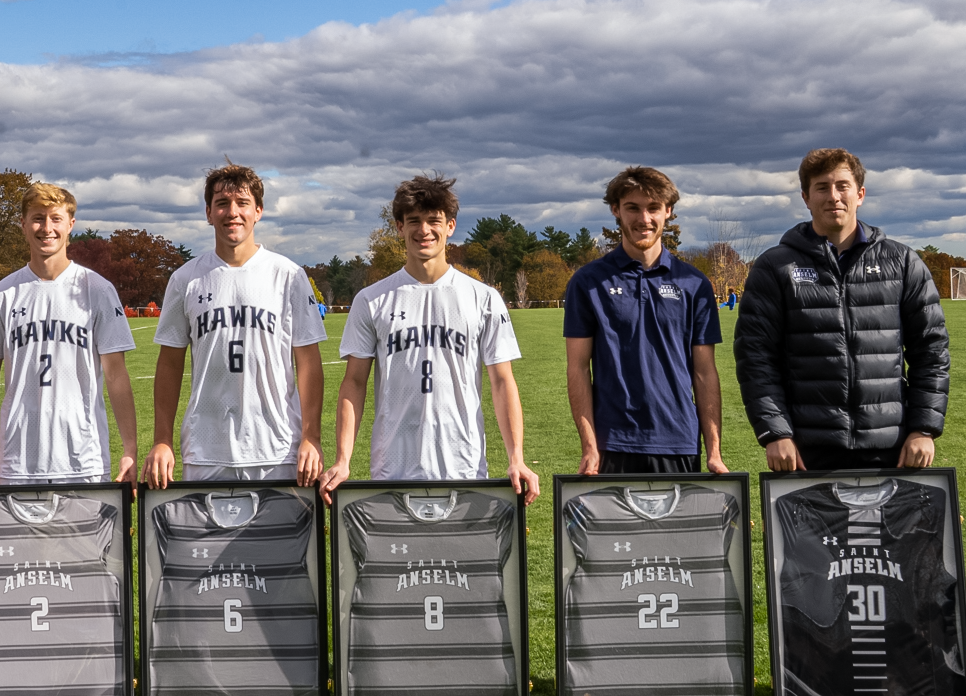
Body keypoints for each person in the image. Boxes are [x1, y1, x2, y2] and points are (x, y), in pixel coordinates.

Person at [319, 174, 540, 503]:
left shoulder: (483, 298)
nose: (424, 230)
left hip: (463, 466)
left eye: (433, 220)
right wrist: (343, 459)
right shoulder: (371, 299)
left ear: (450, 226)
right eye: (414, 221)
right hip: (393, 468)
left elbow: (502, 381)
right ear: (399, 227)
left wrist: (516, 458)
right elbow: (353, 382)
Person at [734, 148, 949, 472]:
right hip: (806, 451)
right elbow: (756, 357)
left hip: (890, 446)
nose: (833, 196)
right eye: (822, 187)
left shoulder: (902, 262)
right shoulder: (774, 267)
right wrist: (775, 432)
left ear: (860, 194)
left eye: (842, 186)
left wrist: (923, 428)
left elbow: (931, 349)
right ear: (806, 197)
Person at [142, 163, 326, 487]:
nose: (233, 213)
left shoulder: (289, 276)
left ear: (258, 211)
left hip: (278, 449)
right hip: (206, 449)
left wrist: (311, 437)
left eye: (242, 203)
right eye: (222, 204)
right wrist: (162, 440)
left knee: (283, 538)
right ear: (209, 213)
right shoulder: (185, 279)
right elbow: (169, 365)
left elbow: (309, 363)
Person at [0, 183, 139, 486]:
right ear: (23, 225)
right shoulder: (0, 295)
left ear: (70, 225)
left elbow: (116, 375)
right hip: (19, 461)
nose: (46, 228)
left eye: (56, 219)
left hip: (84, 461)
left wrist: (130, 449)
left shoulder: (98, 290)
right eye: (38, 218)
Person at [562, 166, 727, 476]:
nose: (644, 219)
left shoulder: (694, 284)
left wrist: (714, 451)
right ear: (616, 210)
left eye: (653, 208)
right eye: (632, 208)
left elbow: (704, 372)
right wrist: (589, 446)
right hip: (613, 442)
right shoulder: (587, 283)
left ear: (668, 212)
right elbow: (578, 368)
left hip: (678, 441)